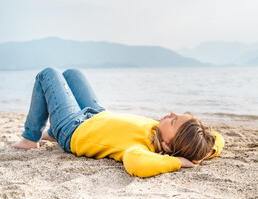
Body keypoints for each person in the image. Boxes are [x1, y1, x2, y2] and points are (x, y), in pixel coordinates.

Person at [13, 67, 224, 178]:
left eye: (174, 120)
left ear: (168, 146)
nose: (170, 113)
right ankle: (52, 133)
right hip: (97, 114)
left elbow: (137, 166)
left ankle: (31, 138)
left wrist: (180, 162)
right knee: (72, 74)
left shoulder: (142, 150)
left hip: (73, 129)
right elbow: (218, 140)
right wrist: (204, 152)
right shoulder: (162, 133)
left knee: (48, 74)